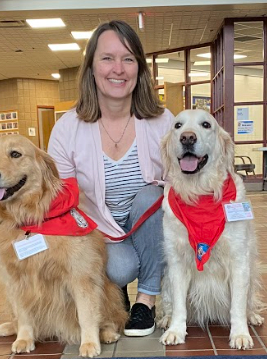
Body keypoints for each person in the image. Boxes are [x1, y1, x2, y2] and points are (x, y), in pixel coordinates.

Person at [47, 20, 174, 337]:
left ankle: (146, 299)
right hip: (97, 232)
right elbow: (61, 199)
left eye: (128, 58)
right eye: (107, 58)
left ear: (139, 69)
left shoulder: (162, 121)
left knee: (151, 195)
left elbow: (181, 186)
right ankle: (118, 292)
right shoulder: (67, 128)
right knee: (120, 268)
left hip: (151, 226)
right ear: (91, 67)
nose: (118, 69)